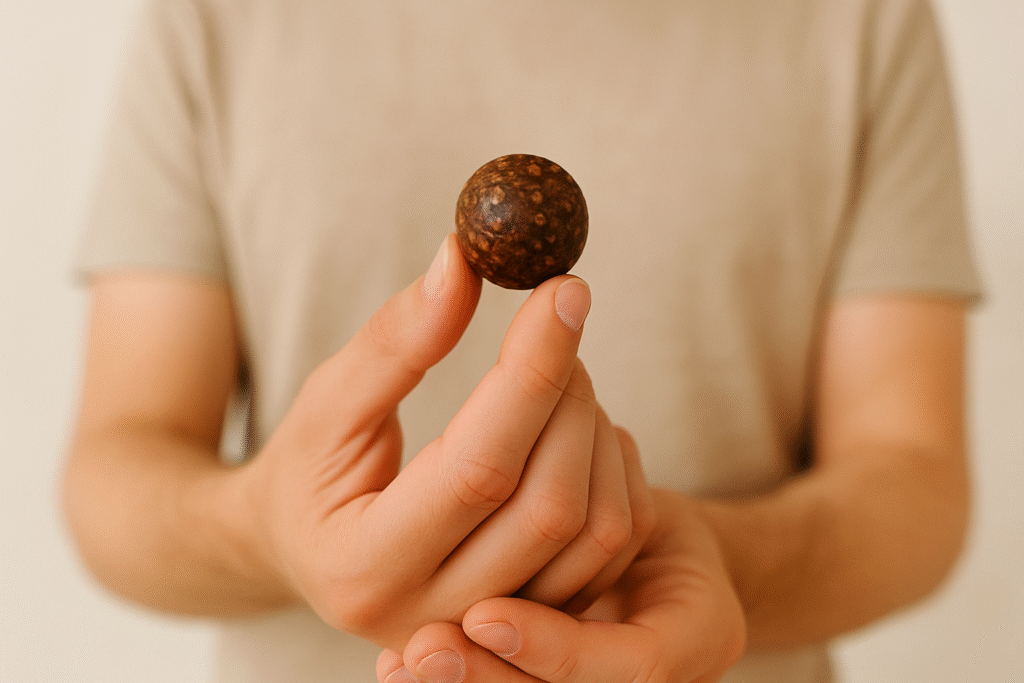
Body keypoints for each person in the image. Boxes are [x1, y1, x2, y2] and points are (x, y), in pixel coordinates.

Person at [62, 0, 982, 681]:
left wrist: (699, 555)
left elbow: (915, 484)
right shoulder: (211, 18)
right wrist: (269, 529)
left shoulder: (866, 20)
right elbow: (116, 472)